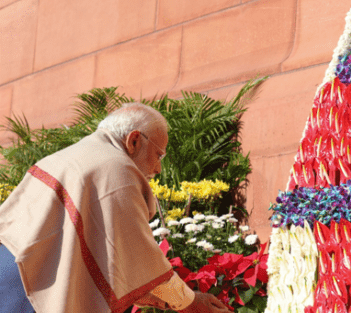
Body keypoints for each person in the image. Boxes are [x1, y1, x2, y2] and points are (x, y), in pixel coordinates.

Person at [0, 103, 230, 313]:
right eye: (159, 155)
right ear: (135, 140)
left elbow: (95, 251)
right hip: (32, 293)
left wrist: (146, 294)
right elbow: (141, 256)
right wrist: (190, 302)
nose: (159, 168)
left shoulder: (68, 156)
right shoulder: (116, 168)